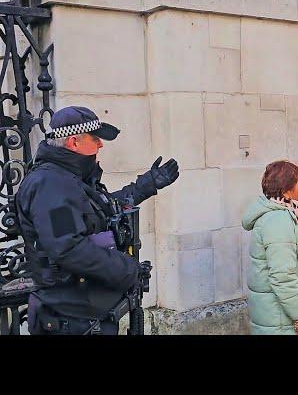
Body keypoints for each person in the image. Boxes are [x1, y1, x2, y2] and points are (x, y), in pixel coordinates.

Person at [17, 106, 179, 335]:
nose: (101, 145)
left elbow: (99, 210)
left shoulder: (69, 178)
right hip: (70, 319)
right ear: (74, 142)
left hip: (86, 313)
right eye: (96, 139)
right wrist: (128, 270)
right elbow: (69, 248)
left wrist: (145, 186)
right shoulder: (50, 185)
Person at [242, 160, 298, 335]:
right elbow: (282, 276)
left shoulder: (289, 215)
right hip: (283, 322)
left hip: (284, 318)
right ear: (286, 191)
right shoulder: (278, 220)